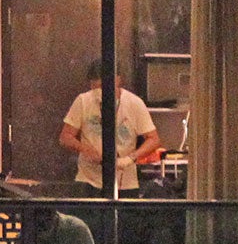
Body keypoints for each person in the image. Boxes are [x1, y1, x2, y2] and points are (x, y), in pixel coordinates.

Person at [59, 59, 162, 196]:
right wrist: (85, 149)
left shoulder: (134, 103)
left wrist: (130, 158)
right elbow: (65, 137)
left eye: (103, 87)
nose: (99, 93)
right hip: (88, 181)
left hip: (125, 183)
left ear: (118, 80)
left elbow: (153, 139)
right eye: (95, 89)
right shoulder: (83, 101)